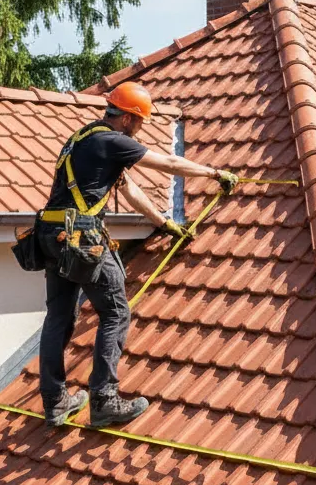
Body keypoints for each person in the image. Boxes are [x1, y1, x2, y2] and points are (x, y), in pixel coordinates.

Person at [37, 81, 237, 428]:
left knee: (58, 318)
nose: (140, 128)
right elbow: (169, 163)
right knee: (115, 311)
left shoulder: (83, 138)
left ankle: (55, 402)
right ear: (128, 119)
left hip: (52, 235)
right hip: (81, 238)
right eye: (140, 122)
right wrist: (214, 173)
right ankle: (104, 401)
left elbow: (128, 189)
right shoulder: (114, 141)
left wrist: (163, 223)